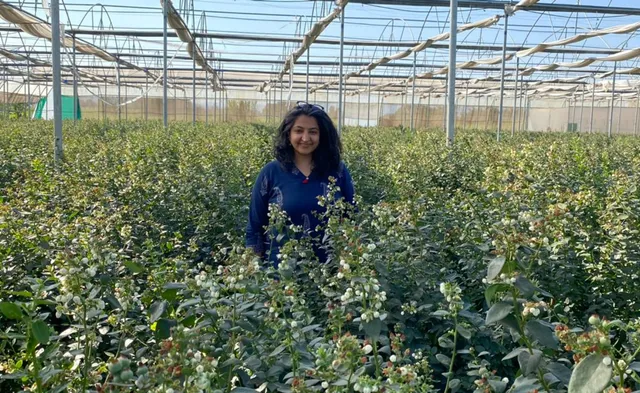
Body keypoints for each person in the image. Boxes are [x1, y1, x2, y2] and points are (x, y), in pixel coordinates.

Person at [245, 101, 355, 266]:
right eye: (298, 131)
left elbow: (351, 217)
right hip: (281, 277)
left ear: (322, 136)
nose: (305, 138)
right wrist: (253, 273)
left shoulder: (337, 171)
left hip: (330, 275)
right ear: (288, 134)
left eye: (313, 132)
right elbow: (255, 227)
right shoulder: (271, 172)